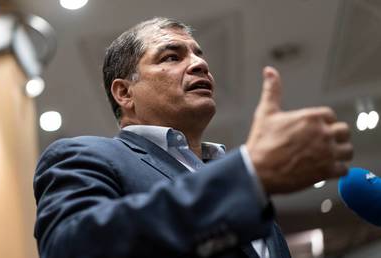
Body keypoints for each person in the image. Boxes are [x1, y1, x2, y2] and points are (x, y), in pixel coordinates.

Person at [33, 17, 353, 258]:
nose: (200, 64)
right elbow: (71, 248)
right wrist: (248, 175)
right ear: (124, 92)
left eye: (198, 55)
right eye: (171, 57)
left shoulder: (240, 183)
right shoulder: (84, 156)